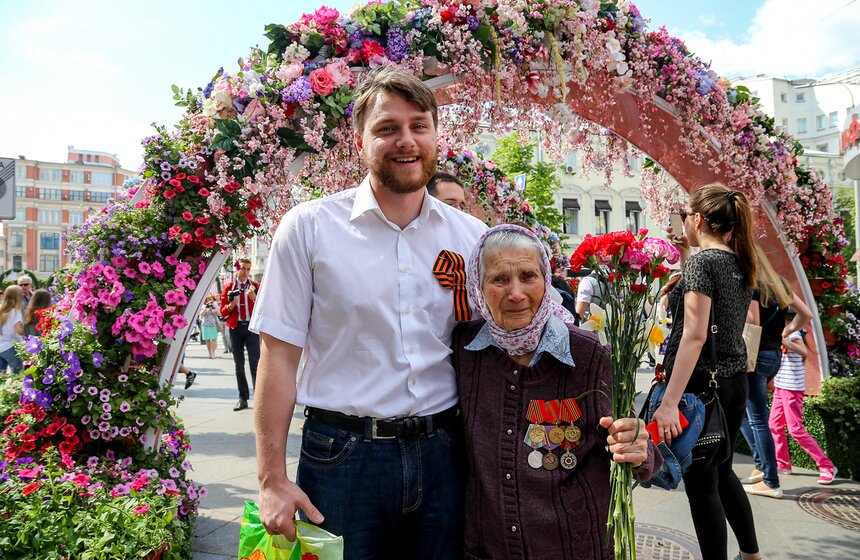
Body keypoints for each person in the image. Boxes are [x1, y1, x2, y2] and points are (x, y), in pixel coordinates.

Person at [249, 66, 487, 558]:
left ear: (436, 135)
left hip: (444, 453)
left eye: (419, 126)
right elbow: (279, 356)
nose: (406, 140)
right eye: (387, 128)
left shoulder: (470, 238)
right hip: (342, 458)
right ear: (359, 141)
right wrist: (271, 477)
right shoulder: (309, 228)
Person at [453, 225, 660, 559]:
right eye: (499, 279)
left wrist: (638, 449)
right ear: (479, 287)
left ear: (546, 280)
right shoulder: (466, 350)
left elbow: (641, 453)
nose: (516, 293)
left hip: (575, 549)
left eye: (528, 276)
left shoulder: (588, 355)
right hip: (487, 548)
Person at [651, 184, 764, 560]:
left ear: (697, 219)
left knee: (701, 485)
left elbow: (695, 336)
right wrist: (687, 256)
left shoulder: (704, 263)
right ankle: (751, 554)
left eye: (685, 216)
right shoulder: (739, 260)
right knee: (725, 472)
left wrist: (668, 403)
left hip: (701, 386)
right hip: (733, 383)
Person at [739, 247, 812, 499]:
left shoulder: (751, 283)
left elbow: (752, 321)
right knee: (748, 415)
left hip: (754, 356)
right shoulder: (780, 284)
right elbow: (807, 314)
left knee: (757, 418)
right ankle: (761, 467)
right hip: (774, 357)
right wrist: (786, 330)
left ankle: (771, 481)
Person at [769, 313, 838, 485]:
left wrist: (783, 340)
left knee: (796, 430)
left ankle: (827, 466)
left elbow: (803, 351)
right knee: (774, 425)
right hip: (781, 386)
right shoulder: (784, 331)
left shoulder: (792, 332)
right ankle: (783, 464)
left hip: (792, 388)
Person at [220, 258, 260, 411]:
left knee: (255, 364)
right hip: (235, 328)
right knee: (239, 365)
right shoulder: (229, 287)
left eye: (248, 269)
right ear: (237, 268)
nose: (245, 272)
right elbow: (222, 312)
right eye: (243, 268)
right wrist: (232, 304)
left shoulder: (255, 286)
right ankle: (243, 398)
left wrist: (254, 298)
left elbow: (265, 307)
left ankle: (258, 398)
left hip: (251, 329)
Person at [0, 285, 25, 374]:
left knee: (1, 376)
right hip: (11, 347)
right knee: (18, 374)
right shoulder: (15, 311)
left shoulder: (1, 310)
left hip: (1, 346)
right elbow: (19, 330)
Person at [199, 294, 220, 359]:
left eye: (211, 299)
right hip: (205, 324)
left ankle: (213, 352)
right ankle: (209, 352)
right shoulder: (203, 306)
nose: (210, 301)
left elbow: (219, 314)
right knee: (207, 340)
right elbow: (201, 315)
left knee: (213, 339)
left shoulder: (215, 305)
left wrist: (215, 307)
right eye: (208, 299)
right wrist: (206, 308)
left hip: (213, 324)